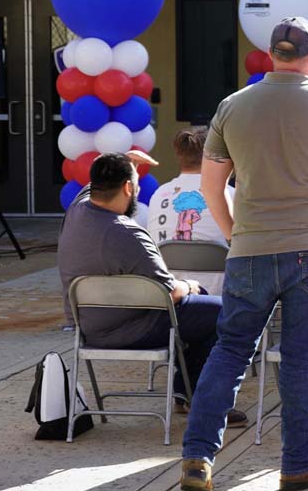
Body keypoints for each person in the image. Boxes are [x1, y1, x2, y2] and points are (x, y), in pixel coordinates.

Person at [181, 16, 308, 491]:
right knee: (299, 359)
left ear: (273, 54)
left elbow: (211, 186)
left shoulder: (232, 106)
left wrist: (236, 235)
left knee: (230, 351)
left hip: (250, 247)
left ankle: (197, 457)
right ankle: (298, 464)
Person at [58, 153, 244, 426]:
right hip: (132, 328)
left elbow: (91, 187)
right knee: (224, 312)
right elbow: (170, 293)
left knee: (198, 315)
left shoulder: (75, 213)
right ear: (128, 188)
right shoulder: (128, 234)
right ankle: (208, 404)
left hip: (88, 328)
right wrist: (191, 286)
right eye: (137, 184)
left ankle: (186, 392)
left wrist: (122, 160)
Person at [147, 127, 234, 294]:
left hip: (171, 297)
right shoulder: (231, 195)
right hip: (220, 297)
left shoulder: (158, 195)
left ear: (179, 156)